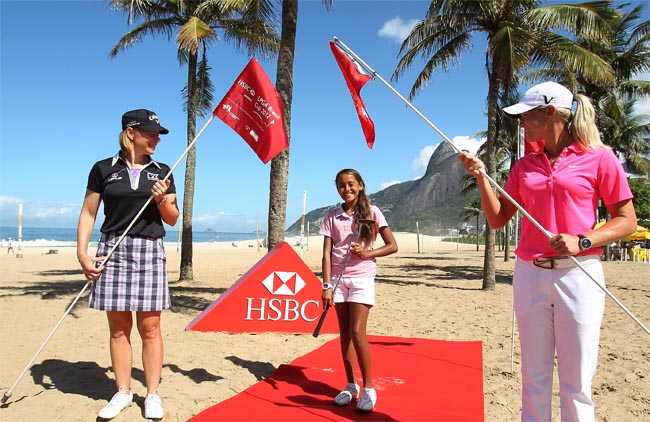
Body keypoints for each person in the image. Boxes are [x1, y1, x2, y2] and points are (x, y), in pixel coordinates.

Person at [459, 81, 636, 422]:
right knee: (534, 376)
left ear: (550, 112)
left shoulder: (600, 158)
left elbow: (627, 220)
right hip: (530, 274)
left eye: (526, 116)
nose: (522, 124)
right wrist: (481, 177)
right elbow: (497, 219)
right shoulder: (525, 166)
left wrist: (583, 240)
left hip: (579, 273)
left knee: (577, 380)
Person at [77, 109, 179, 420]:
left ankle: (152, 394)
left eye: (158, 134)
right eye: (150, 133)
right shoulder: (103, 169)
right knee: (119, 329)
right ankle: (122, 392)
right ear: (130, 132)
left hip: (149, 249)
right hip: (112, 248)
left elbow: (173, 219)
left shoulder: (162, 170)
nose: (156, 139)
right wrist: (82, 253)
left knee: (150, 328)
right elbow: (89, 212)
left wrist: (163, 200)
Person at [319, 168, 398, 413]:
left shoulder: (373, 213)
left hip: (362, 277)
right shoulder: (332, 216)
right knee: (344, 335)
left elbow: (392, 245)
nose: (347, 189)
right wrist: (326, 286)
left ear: (361, 185)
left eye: (351, 184)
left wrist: (367, 253)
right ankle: (351, 385)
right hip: (338, 281)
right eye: (341, 186)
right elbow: (326, 254)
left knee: (357, 332)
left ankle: (369, 388)